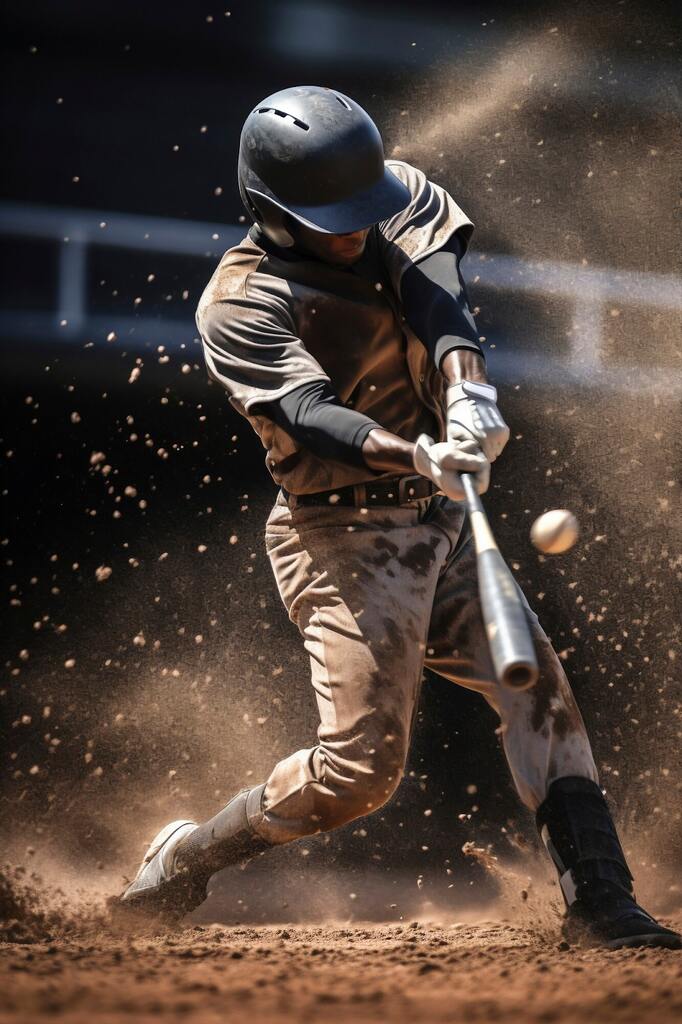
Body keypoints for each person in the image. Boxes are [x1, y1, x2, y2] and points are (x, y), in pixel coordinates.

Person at [116, 86, 680, 950]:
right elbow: (307, 411)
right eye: (331, 216)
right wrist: (414, 451)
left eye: (361, 208)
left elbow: (436, 295)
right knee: (360, 775)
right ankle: (187, 858)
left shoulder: (395, 195)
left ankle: (602, 904)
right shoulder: (238, 301)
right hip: (337, 538)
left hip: (441, 523)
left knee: (541, 697)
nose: (355, 227)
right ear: (270, 210)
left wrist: (468, 392)